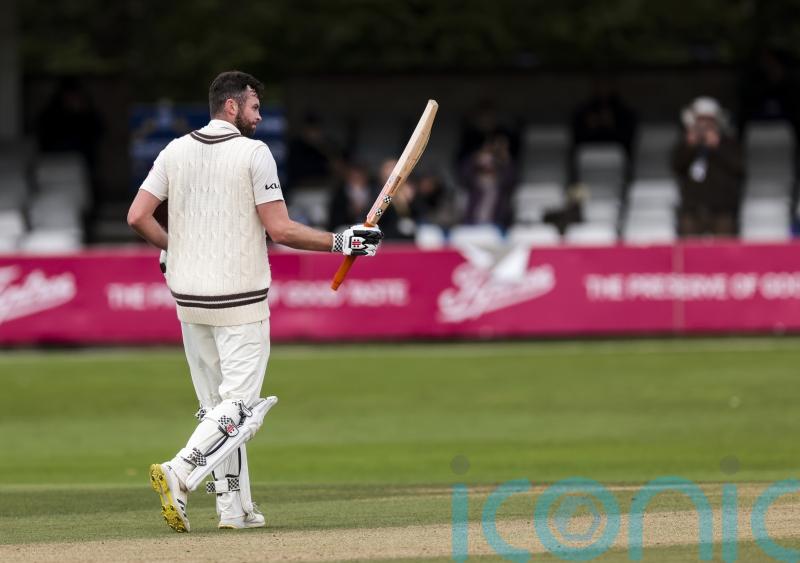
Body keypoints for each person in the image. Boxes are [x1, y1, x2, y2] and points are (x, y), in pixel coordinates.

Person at [127, 71, 383, 533]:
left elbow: (137, 216)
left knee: (217, 409)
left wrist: (172, 249)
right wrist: (342, 241)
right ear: (231, 107)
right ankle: (180, 471)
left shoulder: (174, 149)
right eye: (254, 107)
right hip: (239, 299)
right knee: (240, 409)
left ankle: (234, 509)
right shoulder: (254, 153)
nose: (260, 117)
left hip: (188, 298)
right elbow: (280, 229)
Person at [671, 96, 744, 237]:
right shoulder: (686, 144)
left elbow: (738, 168)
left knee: (724, 252)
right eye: (700, 120)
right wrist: (690, 146)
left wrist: (717, 147)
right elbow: (676, 166)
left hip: (722, 208)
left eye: (708, 120)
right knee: (689, 250)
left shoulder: (729, 143)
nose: (704, 125)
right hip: (692, 208)